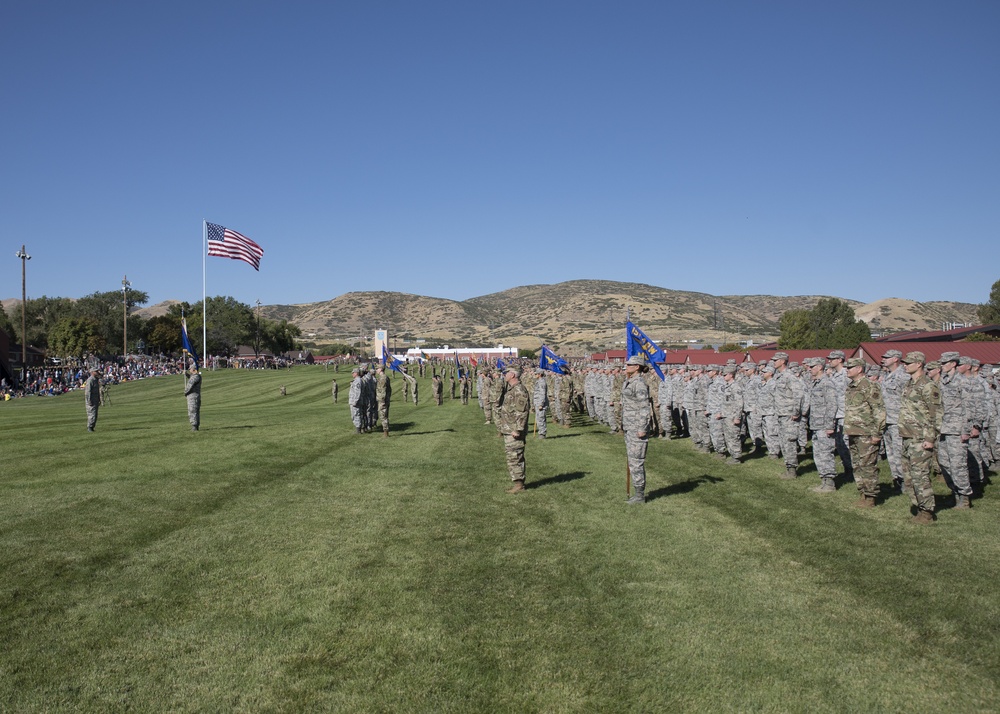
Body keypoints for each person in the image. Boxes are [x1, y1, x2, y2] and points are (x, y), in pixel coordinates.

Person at [898, 351, 941, 523]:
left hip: (920, 438)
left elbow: (935, 414)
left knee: (920, 476)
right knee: (909, 477)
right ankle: (919, 507)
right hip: (908, 436)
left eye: (909, 363)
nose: (905, 365)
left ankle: (927, 512)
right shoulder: (910, 384)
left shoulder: (928, 386)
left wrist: (930, 438)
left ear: (919, 364)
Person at [844, 357, 886, 507]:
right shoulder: (851, 386)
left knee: (868, 465)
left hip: (866, 432)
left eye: (850, 367)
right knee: (857, 464)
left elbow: (879, 410)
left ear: (859, 369)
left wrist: (877, 433)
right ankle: (862, 492)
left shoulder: (869, 386)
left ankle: (870, 497)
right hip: (853, 430)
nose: (847, 369)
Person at [622, 354, 653, 504]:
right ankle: (637, 492)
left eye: (629, 365)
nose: (626, 367)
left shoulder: (639, 384)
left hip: (636, 427)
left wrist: (642, 427)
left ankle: (640, 495)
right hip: (629, 425)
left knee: (636, 461)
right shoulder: (629, 382)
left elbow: (644, 407)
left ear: (637, 367)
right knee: (632, 461)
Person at [499, 365, 530, 493]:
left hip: (514, 431)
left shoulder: (519, 391)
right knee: (512, 457)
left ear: (512, 375)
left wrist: (517, 429)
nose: (504, 375)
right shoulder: (513, 389)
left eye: (506, 373)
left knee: (515, 457)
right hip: (509, 429)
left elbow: (522, 412)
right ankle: (518, 483)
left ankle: (519, 485)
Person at [375, 365, 392, 437]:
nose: (376, 370)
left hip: (383, 400)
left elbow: (383, 390)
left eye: (377, 368)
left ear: (381, 369)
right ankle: (386, 431)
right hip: (385, 399)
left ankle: (385, 432)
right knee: (384, 415)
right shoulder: (384, 377)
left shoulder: (383, 378)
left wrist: (382, 400)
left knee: (383, 416)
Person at [184, 365, 202, 431]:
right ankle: (195, 425)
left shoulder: (196, 377)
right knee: (193, 411)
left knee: (193, 410)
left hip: (193, 396)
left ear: (194, 369)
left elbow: (190, 385)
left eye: (190, 369)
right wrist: (186, 374)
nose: (189, 370)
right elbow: (191, 378)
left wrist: (185, 392)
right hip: (193, 396)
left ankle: (194, 425)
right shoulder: (194, 376)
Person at [533, 368, 549, 439]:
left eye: (536, 374)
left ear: (539, 374)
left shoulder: (542, 382)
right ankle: (541, 432)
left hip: (540, 403)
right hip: (537, 402)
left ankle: (542, 434)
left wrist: (541, 404)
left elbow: (542, 393)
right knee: (539, 418)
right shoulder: (539, 381)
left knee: (541, 418)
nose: (535, 375)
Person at [84, 367, 101, 431]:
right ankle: (90, 427)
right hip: (91, 399)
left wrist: (99, 399)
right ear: (92, 372)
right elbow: (88, 391)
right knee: (92, 414)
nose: (97, 372)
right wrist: (89, 400)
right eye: (96, 371)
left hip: (95, 399)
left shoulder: (96, 380)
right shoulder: (90, 380)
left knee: (95, 414)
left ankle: (92, 427)